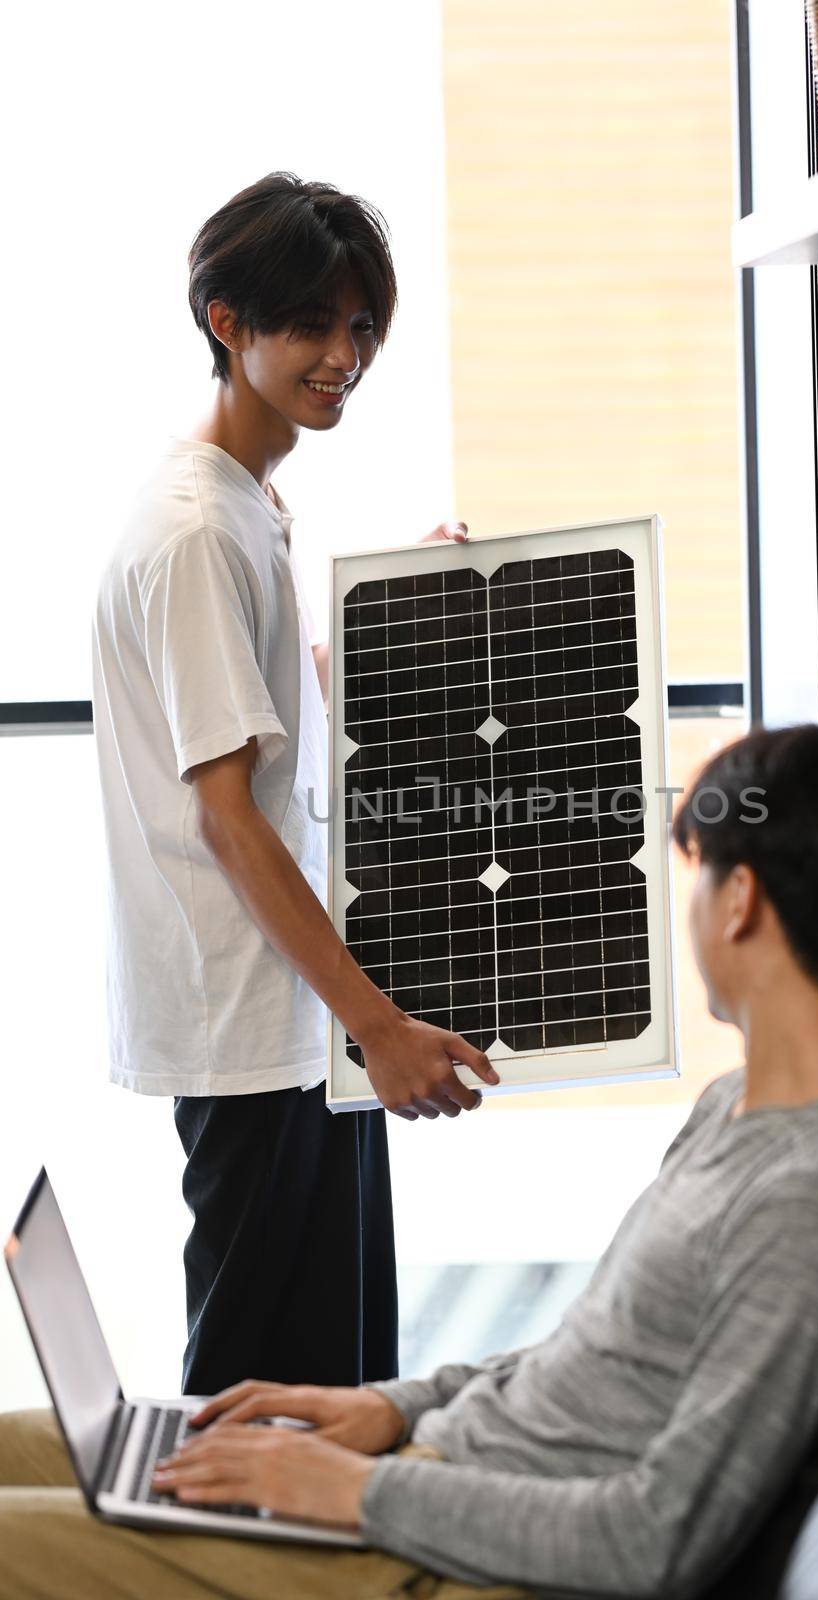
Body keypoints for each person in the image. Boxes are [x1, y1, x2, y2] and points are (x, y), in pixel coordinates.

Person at [0, 722, 818, 1598]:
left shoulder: (814, 1199)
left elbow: (655, 1537)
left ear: (741, 902)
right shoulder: (739, 1107)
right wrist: (391, 1407)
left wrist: (355, 1493)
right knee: (41, 1445)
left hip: (441, 1550)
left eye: (699, 872)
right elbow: (595, 1355)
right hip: (424, 1476)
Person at [89, 171, 498, 1397]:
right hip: (256, 1027)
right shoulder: (198, 528)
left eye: (360, 326)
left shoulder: (248, 500)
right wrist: (378, 1026)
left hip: (291, 1022)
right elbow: (225, 815)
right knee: (260, 1396)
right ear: (227, 320)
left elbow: (263, 710)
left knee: (330, 1380)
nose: (343, 356)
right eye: (312, 326)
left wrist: (389, 607)